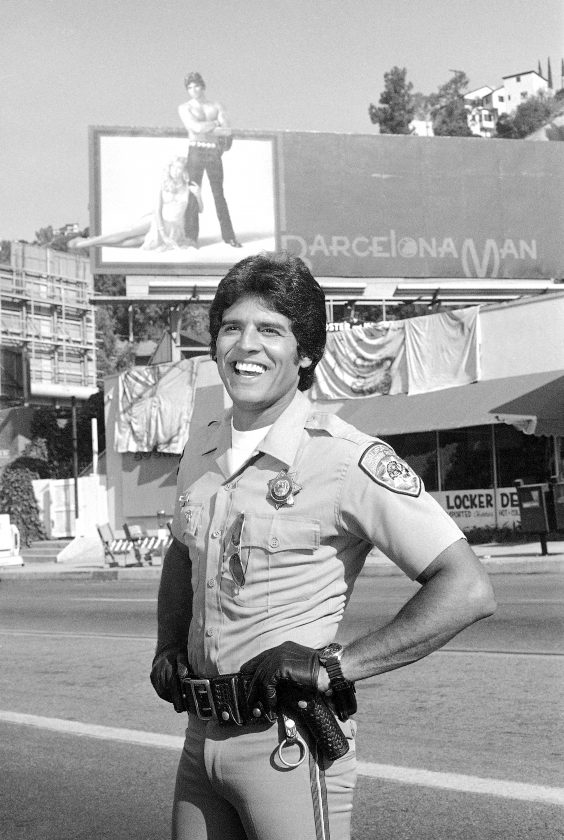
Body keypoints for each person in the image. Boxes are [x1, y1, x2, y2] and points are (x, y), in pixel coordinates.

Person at [150, 252, 496, 840]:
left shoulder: (344, 459)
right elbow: (183, 551)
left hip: (287, 744)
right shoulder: (201, 450)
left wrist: (336, 667)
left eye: (270, 330)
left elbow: (467, 588)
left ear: (305, 352)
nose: (246, 345)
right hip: (200, 742)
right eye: (231, 327)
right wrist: (167, 645)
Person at [68, 156, 202, 251]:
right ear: (169, 169)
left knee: (137, 242)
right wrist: (162, 234)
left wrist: (198, 195)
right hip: (158, 220)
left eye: (179, 169)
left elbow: (200, 210)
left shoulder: (189, 188)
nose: (176, 172)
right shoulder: (163, 185)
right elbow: (157, 210)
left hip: (174, 228)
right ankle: (86, 243)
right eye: (174, 168)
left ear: (184, 171)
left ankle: (93, 243)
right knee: (129, 232)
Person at [178, 71, 241, 249]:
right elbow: (195, 128)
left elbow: (227, 130)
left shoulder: (216, 105)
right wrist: (215, 124)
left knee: (218, 193)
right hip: (195, 149)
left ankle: (229, 236)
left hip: (213, 151)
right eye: (190, 87)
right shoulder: (184, 107)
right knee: (193, 192)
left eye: (196, 86)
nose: (193, 90)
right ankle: (191, 237)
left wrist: (210, 128)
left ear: (203, 86)